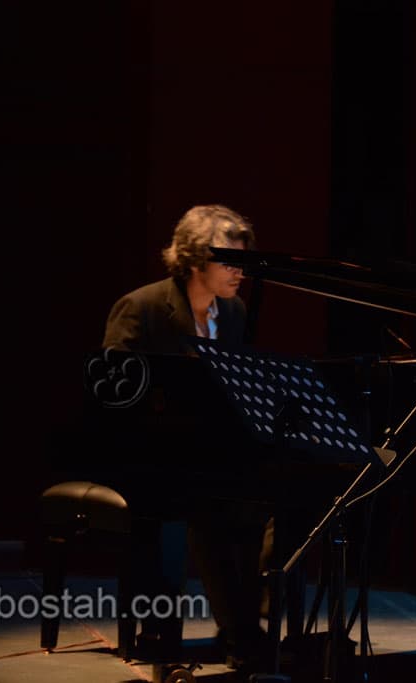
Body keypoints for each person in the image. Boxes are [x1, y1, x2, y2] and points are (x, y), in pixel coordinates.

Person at [102, 204, 269, 669]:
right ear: (196, 259)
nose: (240, 272)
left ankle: (243, 626)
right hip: (146, 454)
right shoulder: (142, 307)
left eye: (243, 262)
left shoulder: (232, 312)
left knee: (262, 501)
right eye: (230, 261)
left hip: (207, 454)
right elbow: (111, 397)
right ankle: (231, 634)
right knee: (207, 505)